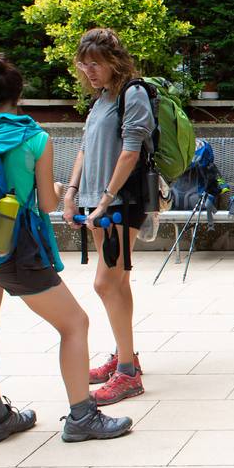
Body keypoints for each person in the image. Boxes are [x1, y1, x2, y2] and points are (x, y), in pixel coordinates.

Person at [0, 53, 133, 444]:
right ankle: (82, 416)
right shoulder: (33, 137)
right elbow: (47, 206)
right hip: (12, 247)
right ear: (20, 93)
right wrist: (55, 191)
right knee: (75, 324)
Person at [61, 28, 155, 404]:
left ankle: (128, 373)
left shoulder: (132, 94)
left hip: (121, 203)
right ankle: (124, 356)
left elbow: (131, 151)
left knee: (105, 283)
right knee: (118, 282)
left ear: (114, 62)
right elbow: (85, 148)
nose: (89, 71)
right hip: (97, 203)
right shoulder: (102, 99)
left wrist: (105, 199)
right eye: (84, 65)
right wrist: (71, 194)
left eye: (95, 64)